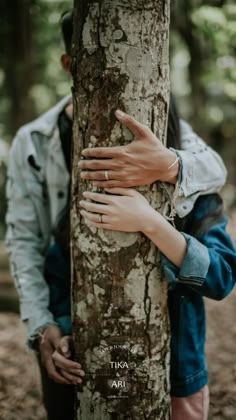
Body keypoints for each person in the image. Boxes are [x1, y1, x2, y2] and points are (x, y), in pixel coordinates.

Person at [5, 10, 230, 420]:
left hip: (177, 363)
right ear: (71, 64)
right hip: (74, 341)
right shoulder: (35, 142)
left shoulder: (175, 136)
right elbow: (26, 244)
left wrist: (166, 175)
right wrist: (44, 327)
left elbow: (213, 175)